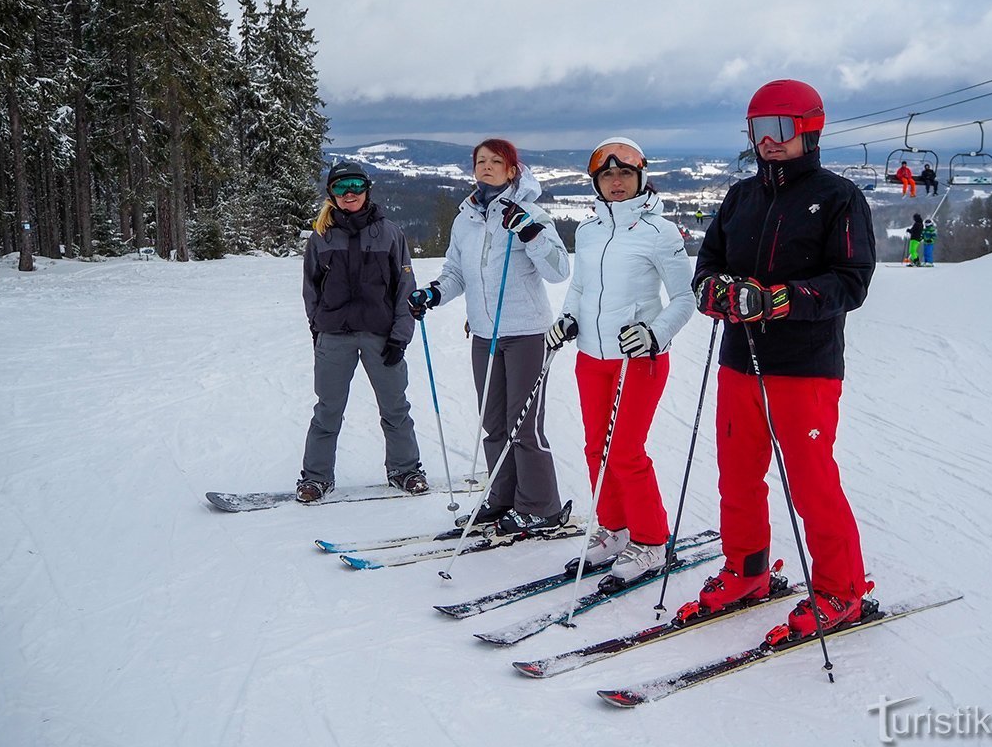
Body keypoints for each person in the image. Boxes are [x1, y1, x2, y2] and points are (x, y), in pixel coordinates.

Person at [693, 78, 876, 638]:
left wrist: (778, 299)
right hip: (739, 362)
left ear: (808, 129)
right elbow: (707, 265)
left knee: (811, 481)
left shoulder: (839, 196)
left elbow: (851, 281)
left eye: (780, 129)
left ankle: (841, 589)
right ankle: (747, 569)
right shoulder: (740, 197)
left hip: (804, 366)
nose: (768, 141)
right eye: (758, 130)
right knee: (737, 474)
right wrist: (713, 292)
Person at [544, 138, 695, 584]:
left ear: (640, 178)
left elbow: (684, 299)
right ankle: (614, 528)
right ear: (596, 182)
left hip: (639, 360)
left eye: (624, 174)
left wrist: (654, 335)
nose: (616, 182)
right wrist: (567, 319)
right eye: (607, 175)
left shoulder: (660, 232)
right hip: (592, 356)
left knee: (626, 451)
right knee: (596, 448)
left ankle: (650, 541)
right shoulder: (588, 231)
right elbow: (580, 288)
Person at [408, 139, 570, 532]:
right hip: (485, 336)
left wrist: (530, 233)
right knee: (494, 423)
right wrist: (433, 293)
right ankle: (502, 498)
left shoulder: (531, 213)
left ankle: (541, 506)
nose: (487, 166)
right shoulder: (466, 218)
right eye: (480, 161)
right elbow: (456, 273)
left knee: (524, 424)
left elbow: (559, 269)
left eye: (496, 161)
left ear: (513, 170)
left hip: (527, 333)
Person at [298, 162, 426, 503]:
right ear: (331, 194)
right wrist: (319, 329)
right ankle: (316, 478)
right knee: (327, 410)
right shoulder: (321, 237)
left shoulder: (389, 233)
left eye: (355, 185)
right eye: (341, 188)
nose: (349, 193)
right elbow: (310, 289)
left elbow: (405, 288)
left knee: (395, 407)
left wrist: (400, 336)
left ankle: (406, 470)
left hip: (381, 336)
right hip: (334, 336)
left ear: (367, 189)